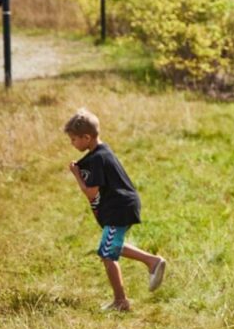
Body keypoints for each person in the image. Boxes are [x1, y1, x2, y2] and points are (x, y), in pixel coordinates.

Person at [64, 109, 166, 312]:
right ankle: (151, 262)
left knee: (106, 253)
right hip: (124, 204)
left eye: (74, 139)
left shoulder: (97, 159)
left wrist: (76, 174)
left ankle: (121, 301)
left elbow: (91, 193)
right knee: (112, 246)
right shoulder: (102, 152)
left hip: (120, 207)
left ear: (87, 137)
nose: (72, 143)